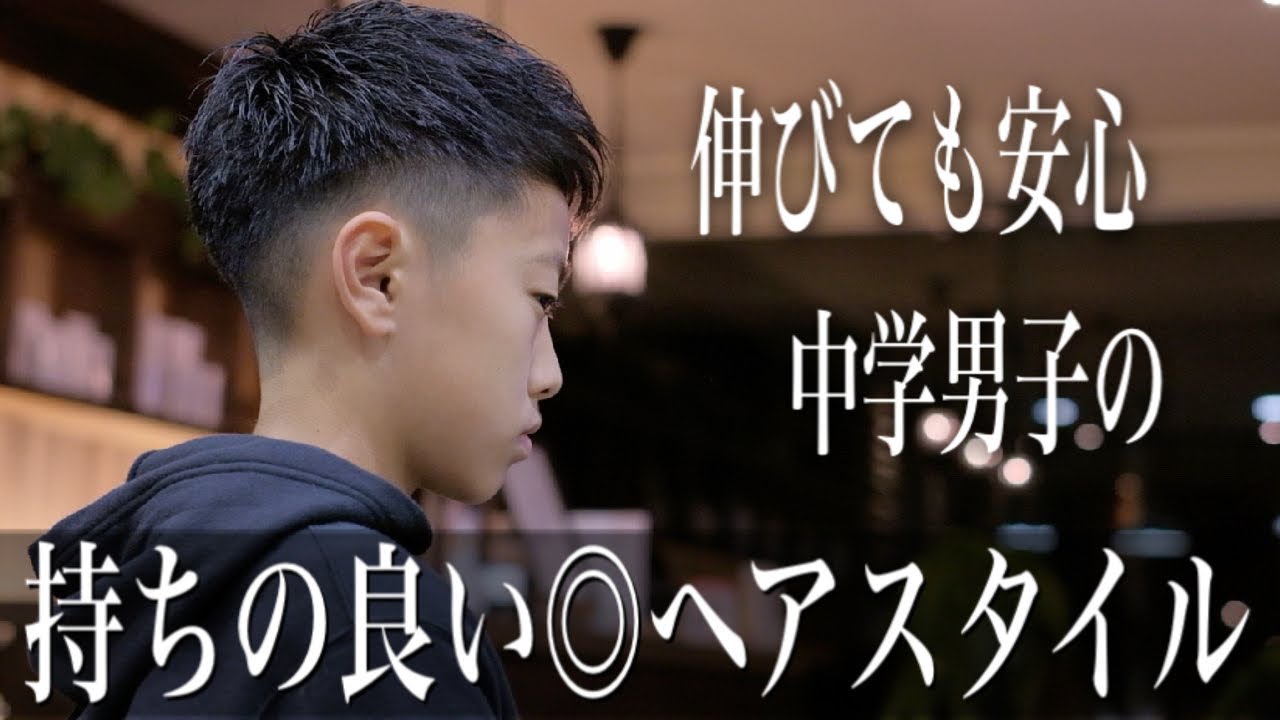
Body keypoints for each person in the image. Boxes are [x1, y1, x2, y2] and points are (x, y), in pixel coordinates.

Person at [27, 0, 606, 716]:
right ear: (376, 276)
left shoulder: (159, 594)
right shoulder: (377, 633)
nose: (549, 375)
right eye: (540, 297)